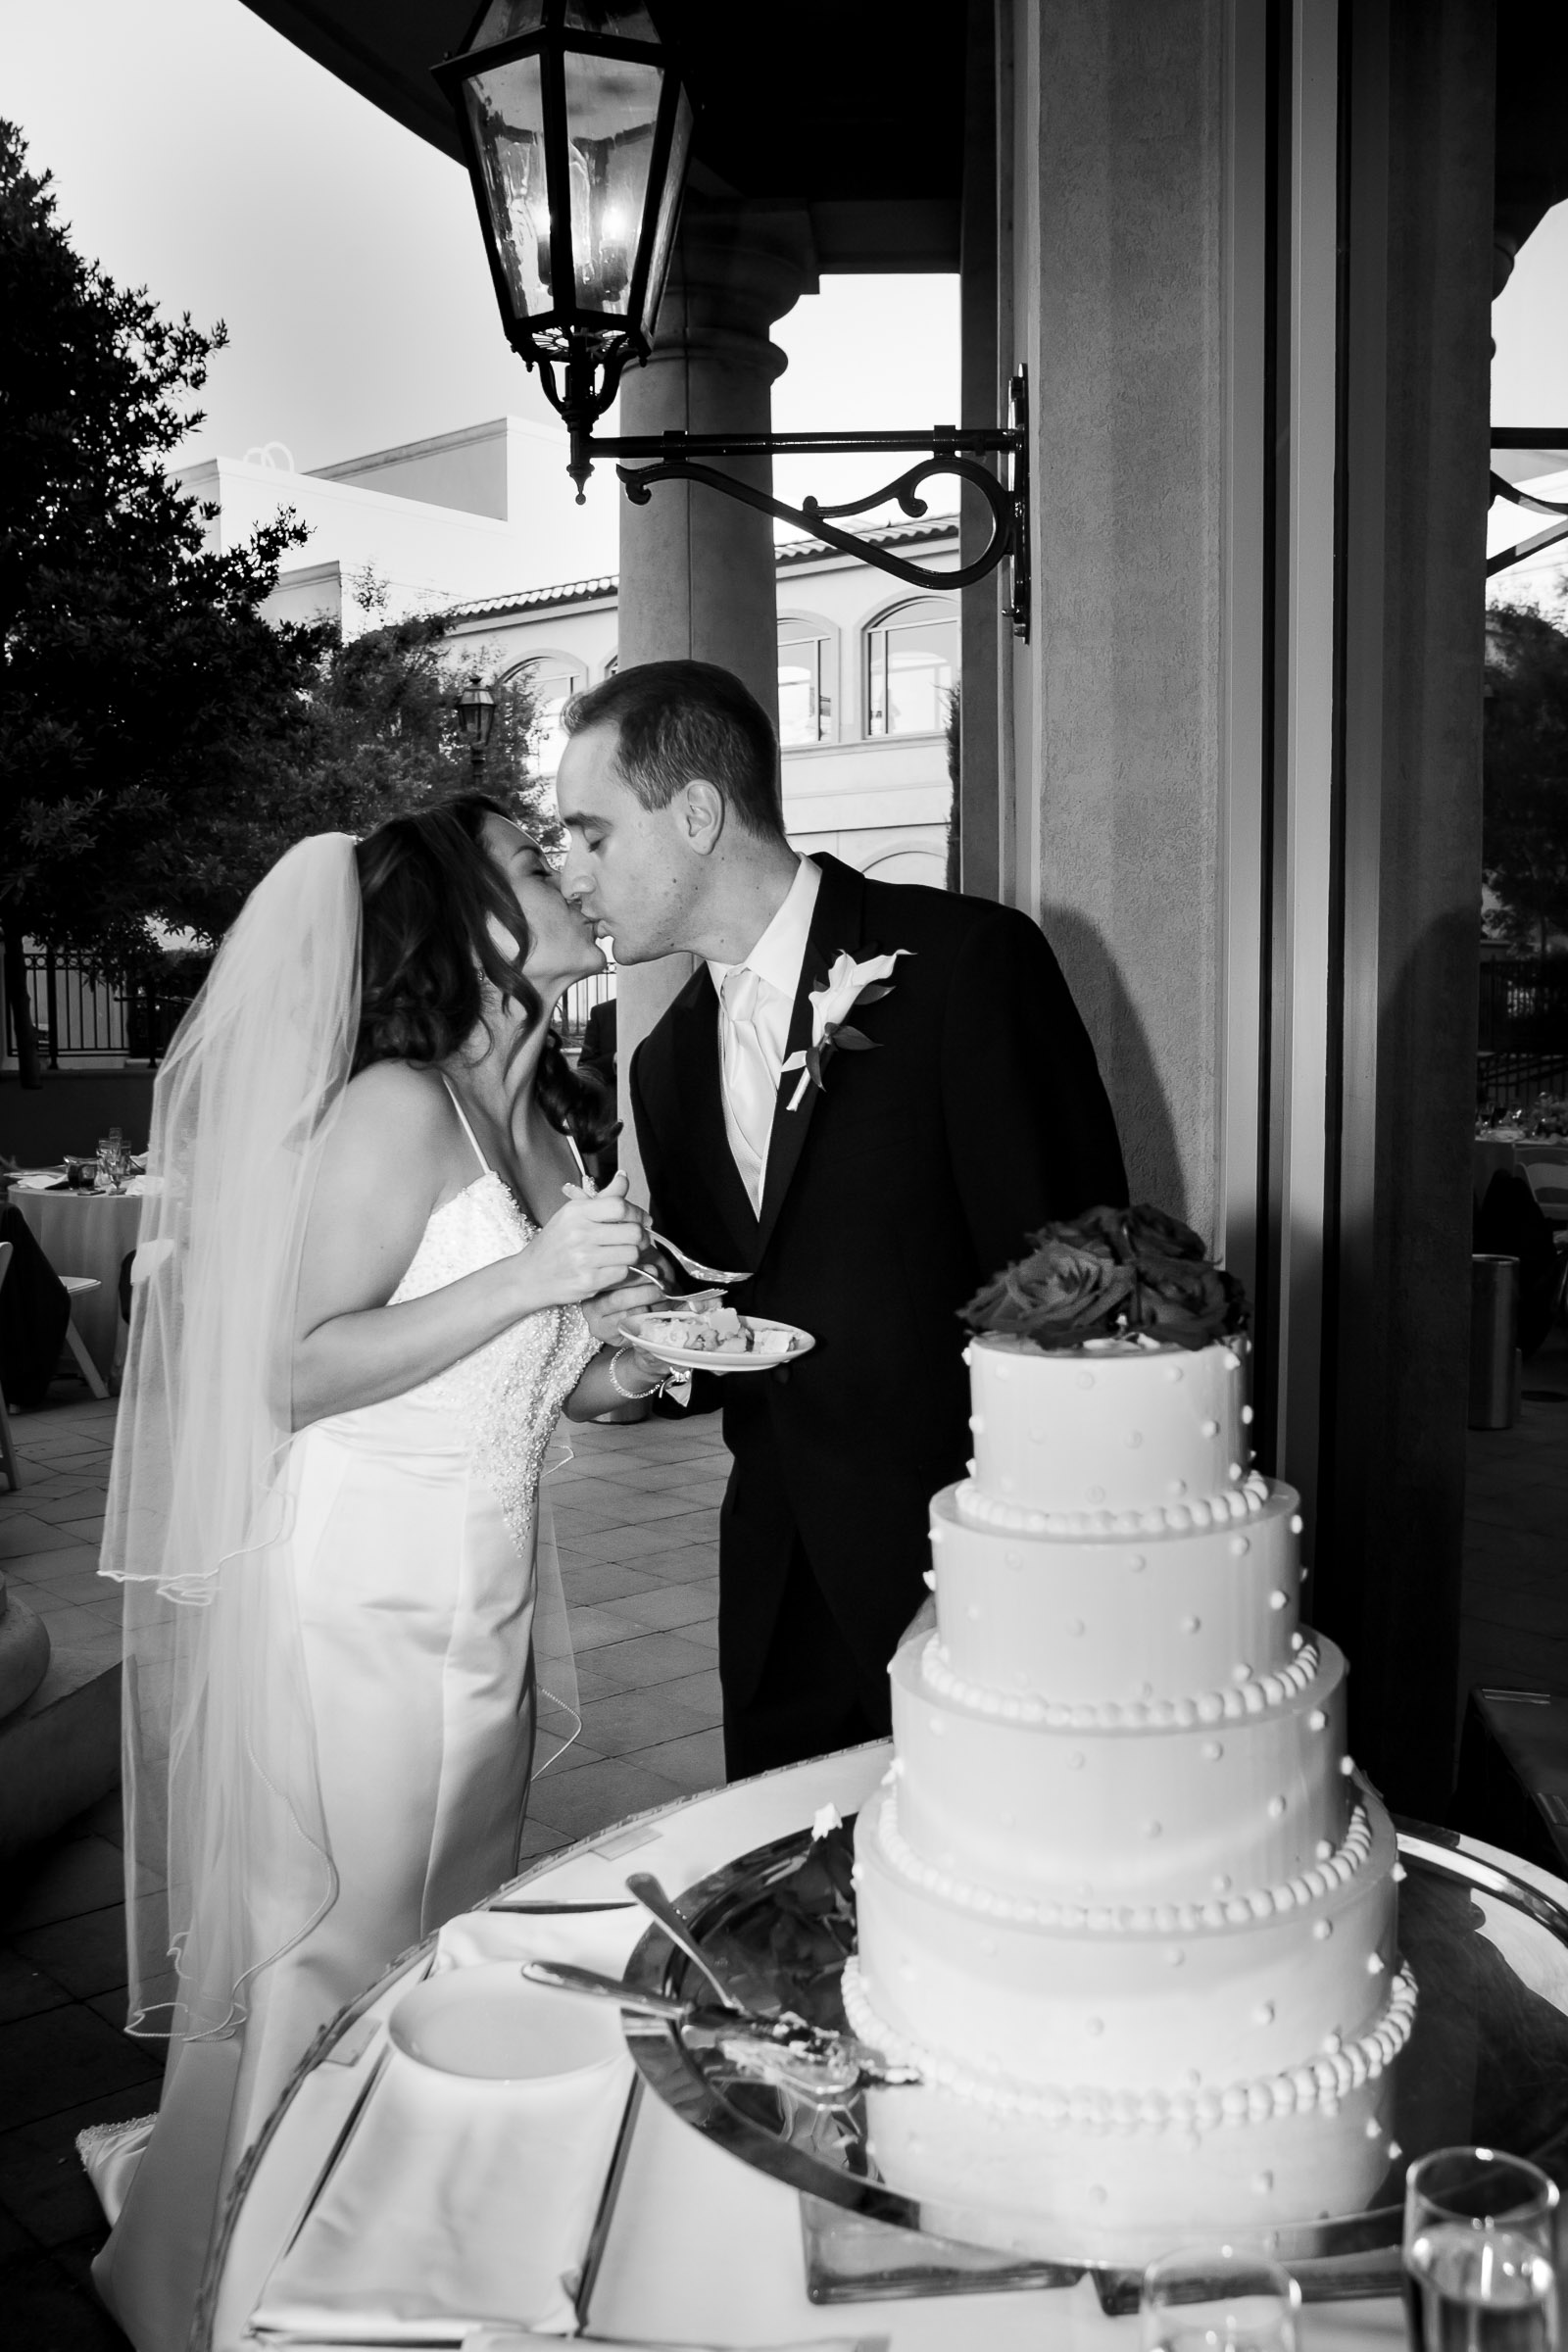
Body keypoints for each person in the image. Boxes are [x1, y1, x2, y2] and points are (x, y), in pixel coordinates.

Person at [84, 796, 666, 2352]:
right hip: (357, 1600)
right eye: (534, 863)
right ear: (458, 916)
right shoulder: (394, 1109)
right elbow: (280, 1369)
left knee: (443, 1938)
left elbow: (534, 1370)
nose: (569, 875)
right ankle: (247, 2275)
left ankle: (385, 2239)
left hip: (478, 1598)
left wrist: (632, 1366)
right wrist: (544, 1276)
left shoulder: (540, 1119)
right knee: (338, 1945)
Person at [556, 660, 1128, 1780]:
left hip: (971, 1558)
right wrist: (659, 1333)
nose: (571, 872)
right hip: (777, 1570)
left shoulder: (967, 963)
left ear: (698, 812)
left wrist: (1045, 1550)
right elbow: (740, 1299)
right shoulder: (667, 1061)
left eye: (590, 834)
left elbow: (1078, 1277)